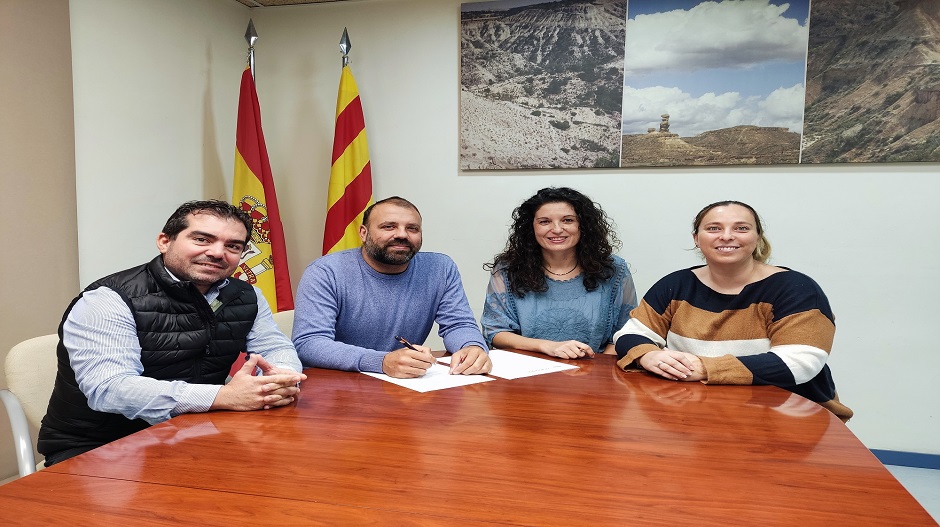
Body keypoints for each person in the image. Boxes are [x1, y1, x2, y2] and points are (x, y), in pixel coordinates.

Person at [38, 200, 306, 465]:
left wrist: (278, 380)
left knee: (277, 481)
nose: (217, 252)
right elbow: (111, 389)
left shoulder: (246, 295)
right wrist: (224, 397)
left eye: (232, 246)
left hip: (196, 430)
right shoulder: (108, 300)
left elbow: (274, 346)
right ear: (165, 241)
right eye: (202, 239)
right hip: (102, 446)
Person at [613, 200, 853, 421]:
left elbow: (800, 362)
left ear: (758, 237)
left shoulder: (796, 289)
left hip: (786, 418)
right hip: (696, 413)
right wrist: (648, 355)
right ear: (696, 238)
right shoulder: (675, 285)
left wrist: (705, 368)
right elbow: (631, 334)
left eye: (741, 228)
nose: (726, 236)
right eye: (714, 228)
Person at [292, 196, 492, 378]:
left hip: (405, 387)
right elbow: (309, 342)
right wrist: (381, 361)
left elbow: (459, 325)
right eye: (389, 227)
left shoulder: (440, 269)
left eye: (412, 228)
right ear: (364, 233)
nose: (402, 235)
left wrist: (472, 346)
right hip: (337, 387)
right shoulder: (326, 272)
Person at [481, 187, 637, 358]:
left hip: (592, 372)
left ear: (582, 225)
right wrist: (547, 346)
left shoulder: (614, 269)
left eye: (568, 220)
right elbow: (496, 332)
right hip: (526, 372)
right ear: (531, 227)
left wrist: (598, 370)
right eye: (544, 222)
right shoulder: (507, 269)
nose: (556, 229)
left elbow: (626, 332)